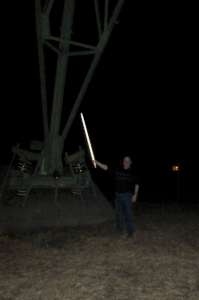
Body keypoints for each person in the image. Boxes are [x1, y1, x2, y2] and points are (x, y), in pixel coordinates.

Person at [94, 156, 139, 237]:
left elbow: (137, 184)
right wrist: (97, 163)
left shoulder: (132, 172)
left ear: (130, 163)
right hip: (117, 195)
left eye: (128, 161)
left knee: (128, 213)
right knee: (119, 213)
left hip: (127, 195)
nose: (126, 162)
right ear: (123, 162)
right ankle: (120, 229)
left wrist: (135, 194)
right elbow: (106, 168)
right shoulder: (118, 170)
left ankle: (131, 231)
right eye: (125, 160)